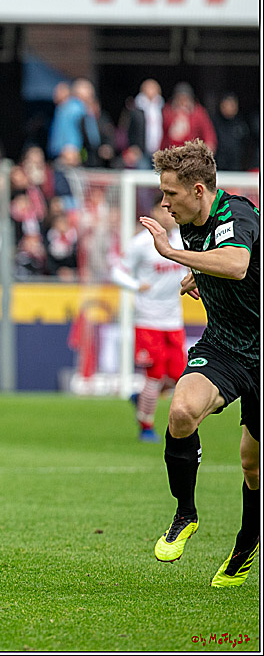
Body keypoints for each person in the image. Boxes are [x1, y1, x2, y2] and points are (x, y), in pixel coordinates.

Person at [139, 139, 258, 588]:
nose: (165, 204)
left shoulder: (238, 213)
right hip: (226, 343)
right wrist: (197, 272)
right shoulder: (193, 219)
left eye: (170, 194)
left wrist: (174, 256)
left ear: (198, 190)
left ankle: (248, 541)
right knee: (183, 410)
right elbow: (217, 260)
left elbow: (237, 264)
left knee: (252, 463)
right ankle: (184, 513)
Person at [110, 196, 187, 442]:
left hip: (173, 319)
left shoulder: (183, 241)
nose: (167, 213)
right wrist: (135, 285)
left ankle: (140, 397)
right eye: (162, 209)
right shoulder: (141, 243)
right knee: (154, 375)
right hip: (148, 319)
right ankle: (146, 426)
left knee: (178, 376)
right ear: (154, 212)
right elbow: (116, 271)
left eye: (170, 209)